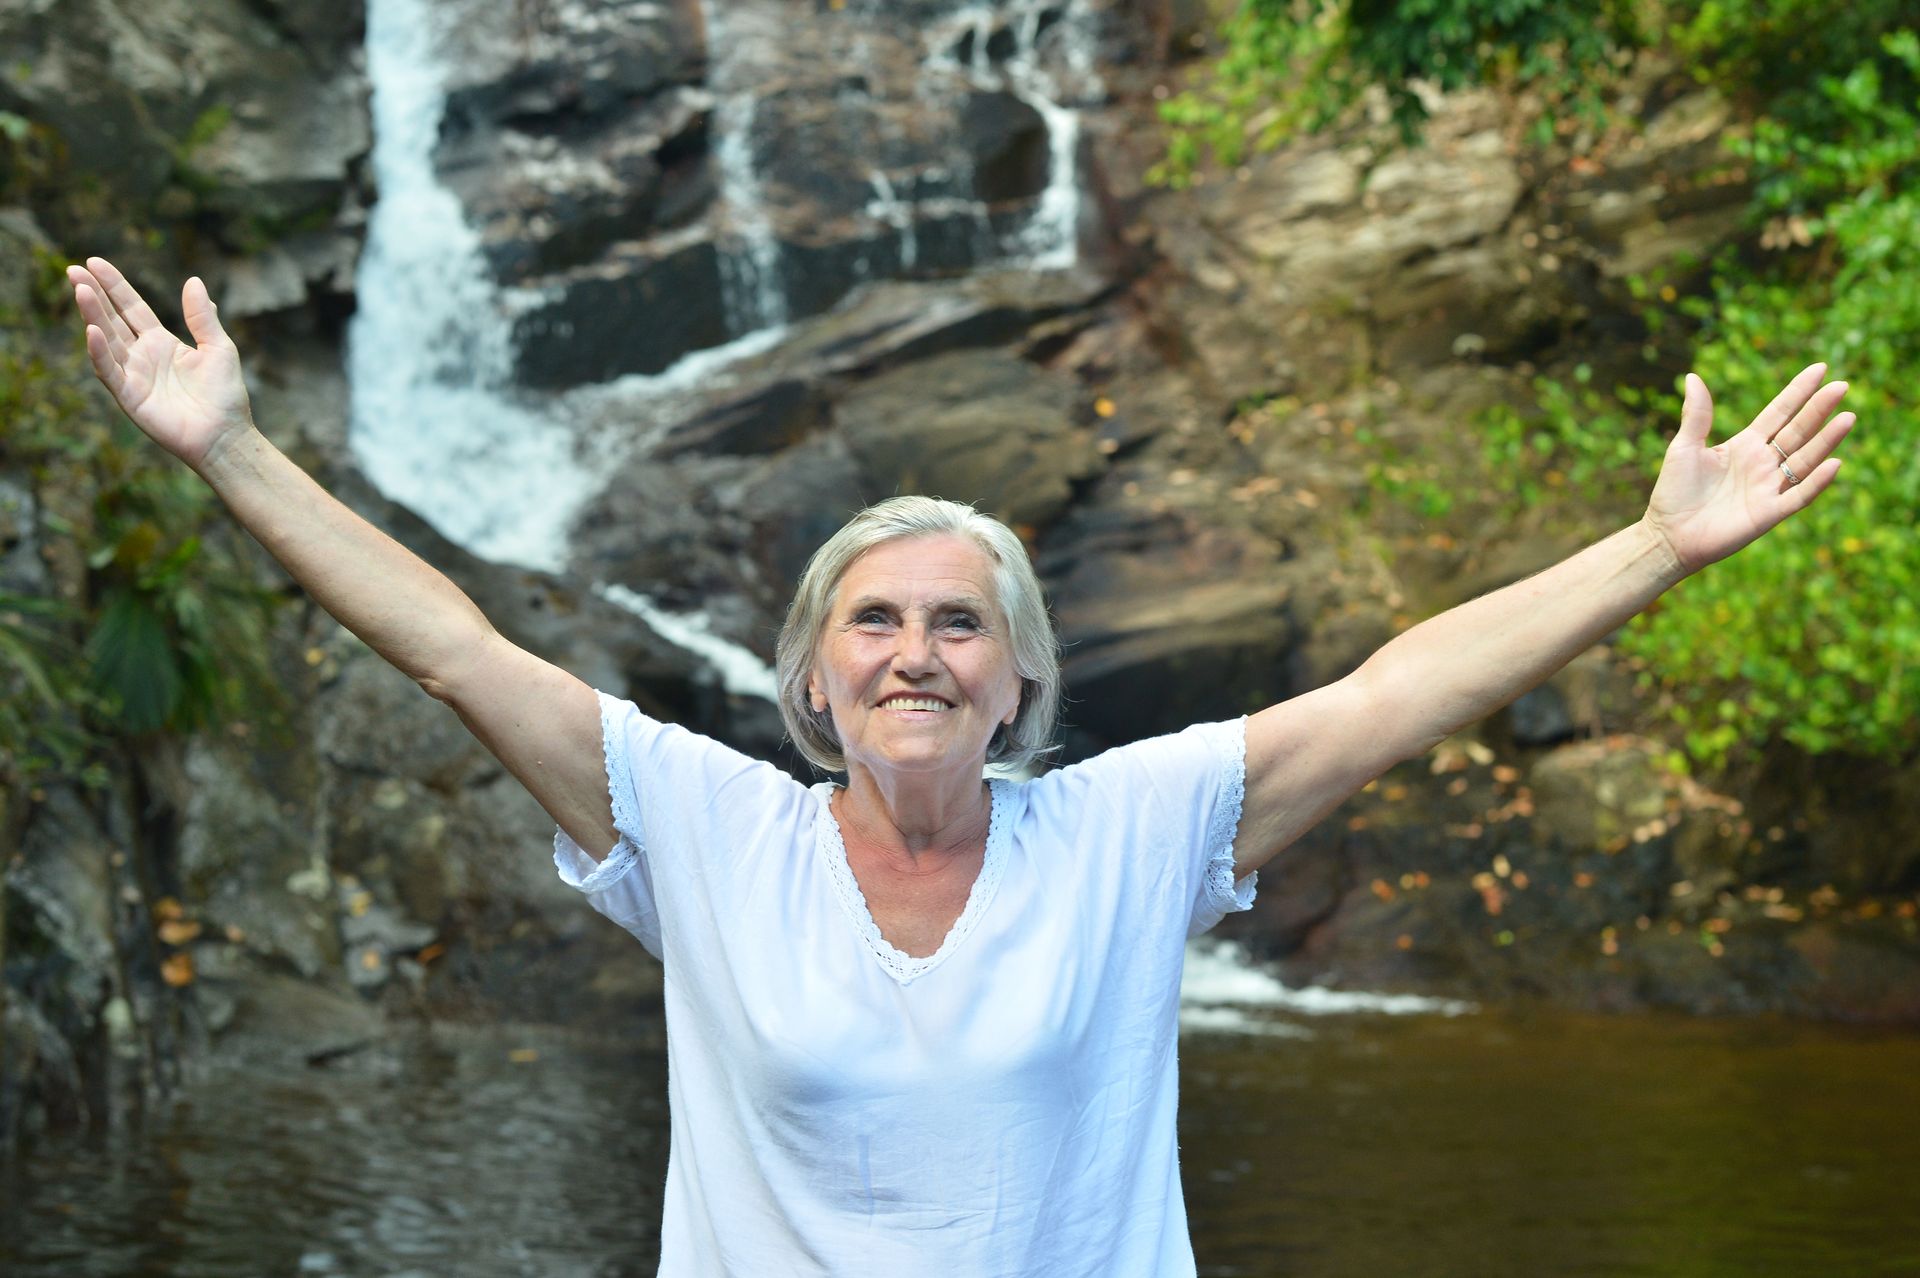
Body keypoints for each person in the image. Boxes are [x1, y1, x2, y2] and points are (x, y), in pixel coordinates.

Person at [68, 256, 1854, 1275]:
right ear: (816, 684)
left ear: (1016, 686)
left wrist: (1657, 552)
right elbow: (455, 650)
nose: (916, 649)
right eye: (874, 622)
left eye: (959, 622)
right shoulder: (704, 828)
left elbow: (1396, 692)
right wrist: (230, 451)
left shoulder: (1131, 830)